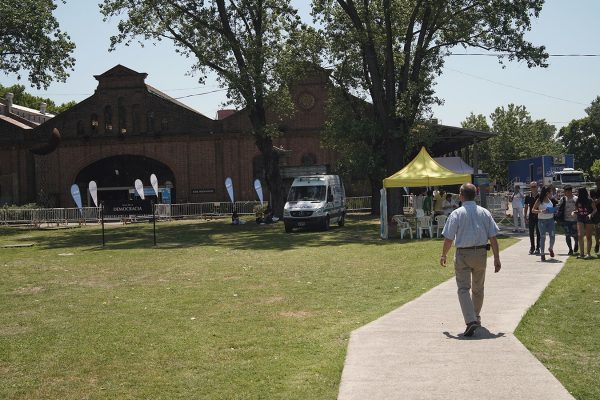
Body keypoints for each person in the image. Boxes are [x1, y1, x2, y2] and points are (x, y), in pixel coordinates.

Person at [440, 183, 501, 337]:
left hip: (463, 254)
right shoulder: (485, 212)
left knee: (463, 288)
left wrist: (443, 255)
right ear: (475, 195)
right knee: (478, 288)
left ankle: (470, 321)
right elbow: (493, 237)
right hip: (481, 253)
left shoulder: (456, 214)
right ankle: (476, 317)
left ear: (461, 195)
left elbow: (448, 238)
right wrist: (497, 258)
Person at [532, 186, 557, 262]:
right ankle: (542, 254)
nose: (552, 193)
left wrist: (554, 210)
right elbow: (533, 210)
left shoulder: (551, 200)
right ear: (547, 193)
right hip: (542, 220)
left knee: (552, 235)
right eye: (551, 192)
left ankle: (551, 248)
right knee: (543, 237)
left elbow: (554, 208)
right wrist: (541, 211)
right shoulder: (539, 200)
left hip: (551, 220)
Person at [573, 188, 598, 259]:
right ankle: (581, 254)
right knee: (580, 235)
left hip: (588, 219)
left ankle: (588, 254)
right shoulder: (578, 200)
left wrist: (591, 214)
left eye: (578, 192)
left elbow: (595, 209)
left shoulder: (590, 200)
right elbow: (576, 209)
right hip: (580, 219)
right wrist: (574, 212)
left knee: (588, 236)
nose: (577, 193)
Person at [558, 185, 579, 255]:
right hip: (566, 220)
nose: (564, 193)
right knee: (567, 235)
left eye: (565, 191)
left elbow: (579, 208)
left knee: (575, 235)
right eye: (564, 191)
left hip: (574, 220)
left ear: (570, 191)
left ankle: (576, 243)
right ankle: (570, 249)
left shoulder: (575, 199)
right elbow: (559, 208)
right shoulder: (563, 199)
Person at [524, 181, 541, 255]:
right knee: (531, 233)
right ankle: (532, 247)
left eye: (535, 186)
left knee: (538, 232)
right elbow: (526, 207)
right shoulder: (528, 196)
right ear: (530, 188)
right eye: (532, 187)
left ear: (537, 187)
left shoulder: (540, 196)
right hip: (531, 216)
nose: (533, 188)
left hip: (539, 216)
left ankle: (538, 247)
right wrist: (525, 216)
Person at [592, 177, 600, 255]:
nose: (598, 184)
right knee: (597, 231)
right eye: (597, 183)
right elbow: (594, 202)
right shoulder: (593, 191)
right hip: (596, 213)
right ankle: (597, 244)